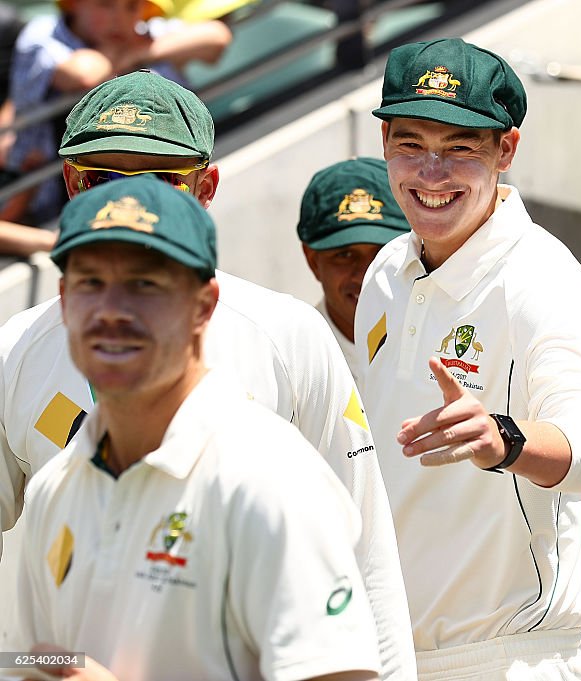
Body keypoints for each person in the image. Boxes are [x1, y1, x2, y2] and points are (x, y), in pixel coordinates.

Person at [0, 70, 415, 680]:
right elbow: (31, 654)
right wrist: (52, 668)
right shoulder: (59, 485)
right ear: (64, 298)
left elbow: (367, 573)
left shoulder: (273, 455)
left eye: (162, 180)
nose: (113, 313)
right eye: (108, 177)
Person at [355, 37, 581, 680]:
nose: (431, 173)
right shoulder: (387, 270)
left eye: (460, 149)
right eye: (411, 145)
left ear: (506, 150)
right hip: (391, 656)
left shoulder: (544, 279)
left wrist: (504, 439)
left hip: (510, 662)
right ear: (385, 141)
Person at [4, 0, 231, 224]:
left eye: (132, 6)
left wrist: (137, 53)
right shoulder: (44, 32)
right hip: (55, 194)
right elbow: (84, 74)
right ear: (74, 4)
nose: (119, 18)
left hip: (159, 190)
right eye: (105, 4)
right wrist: (130, 52)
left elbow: (217, 36)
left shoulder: (144, 34)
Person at [297, 156, 410, 388]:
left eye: (383, 251)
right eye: (345, 255)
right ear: (313, 261)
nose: (366, 275)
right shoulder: (292, 359)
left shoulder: (445, 344)